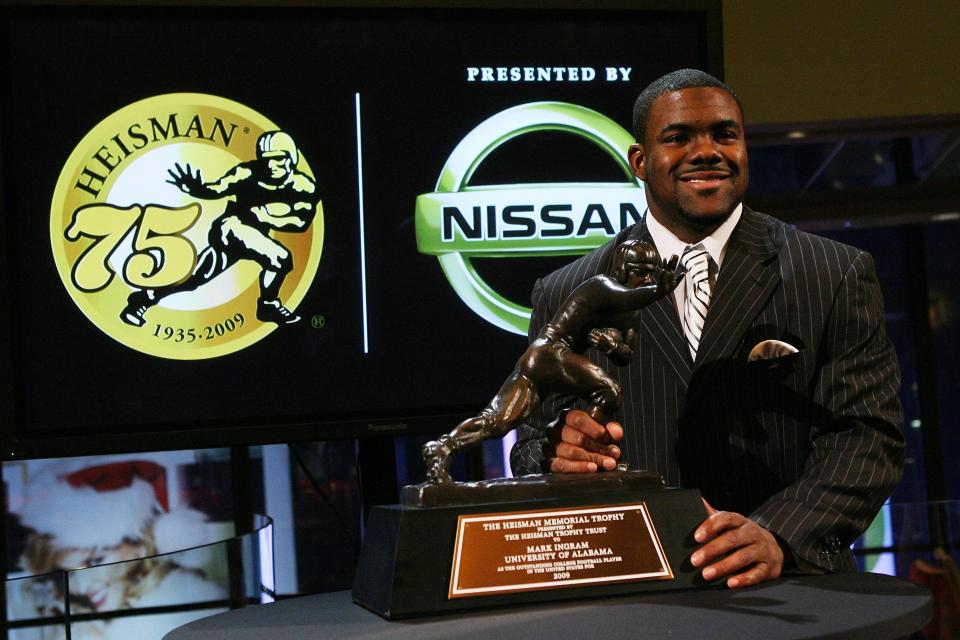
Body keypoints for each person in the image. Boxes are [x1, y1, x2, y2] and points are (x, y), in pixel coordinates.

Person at [511, 69, 904, 589]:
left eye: (725, 134)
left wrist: (779, 535)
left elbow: (868, 435)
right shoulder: (566, 291)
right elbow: (529, 443)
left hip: (788, 592)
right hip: (628, 593)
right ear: (640, 161)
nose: (707, 151)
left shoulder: (832, 273)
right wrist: (555, 453)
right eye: (678, 138)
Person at [422, 240, 684, 483]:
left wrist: (612, 346)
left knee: (498, 421)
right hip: (550, 352)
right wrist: (660, 288)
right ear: (622, 269)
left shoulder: (633, 310)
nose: (646, 279)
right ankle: (597, 449)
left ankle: (442, 447)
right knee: (607, 391)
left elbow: (625, 354)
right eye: (639, 272)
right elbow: (625, 297)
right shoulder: (602, 285)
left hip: (545, 360)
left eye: (650, 273)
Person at [120, 130, 320, 327]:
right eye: (266, 159)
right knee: (280, 258)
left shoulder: (304, 186)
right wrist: (196, 189)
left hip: (257, 235)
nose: (271, 165)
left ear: (291, 158)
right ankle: (267, 305)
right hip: (232, 228)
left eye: (278, 158)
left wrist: (267, 217)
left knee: (194, 278)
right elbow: (218, 188)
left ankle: (144, 298)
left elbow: (301, 222)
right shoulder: (247, 172)